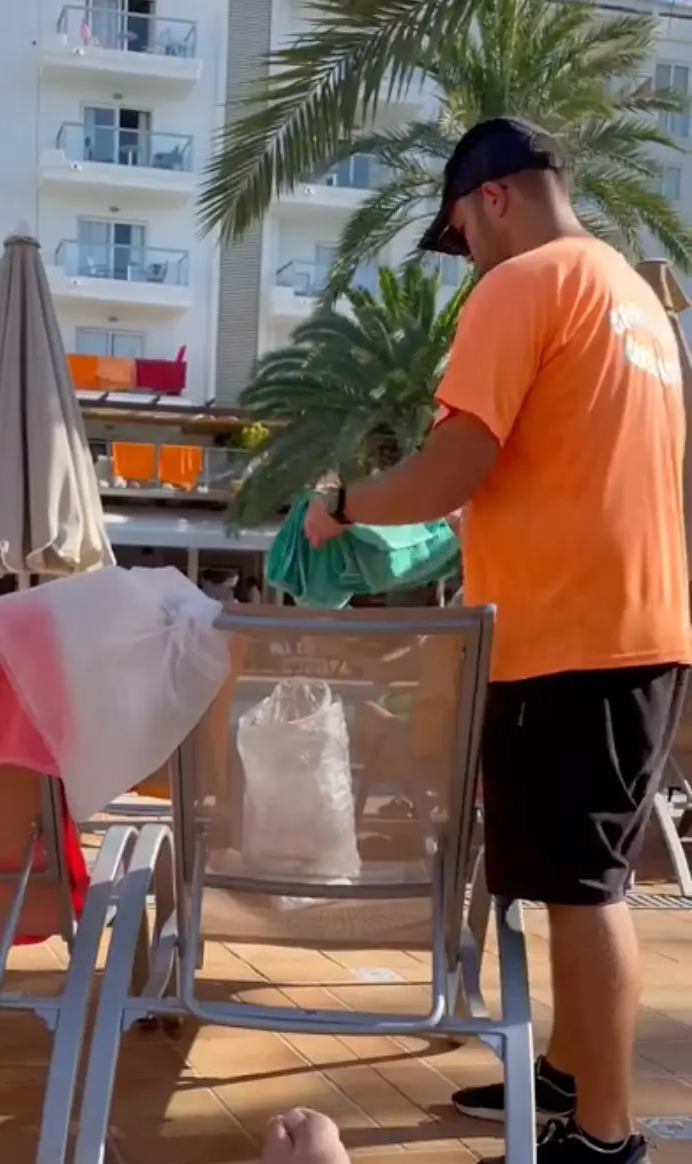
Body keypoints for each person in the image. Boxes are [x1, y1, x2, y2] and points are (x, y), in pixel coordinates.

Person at [303, 117, 691, 1164]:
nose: (464, 255)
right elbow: (556, 470)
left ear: (493, 198)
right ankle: (568, 1070)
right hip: (635, 625)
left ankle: (603, 1138)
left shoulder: (518, 288)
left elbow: (449, 465)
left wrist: (343, 501)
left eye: (460, 231)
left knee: (582, 885)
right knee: (579, 870)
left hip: (568, 639)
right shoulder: (634, 300)